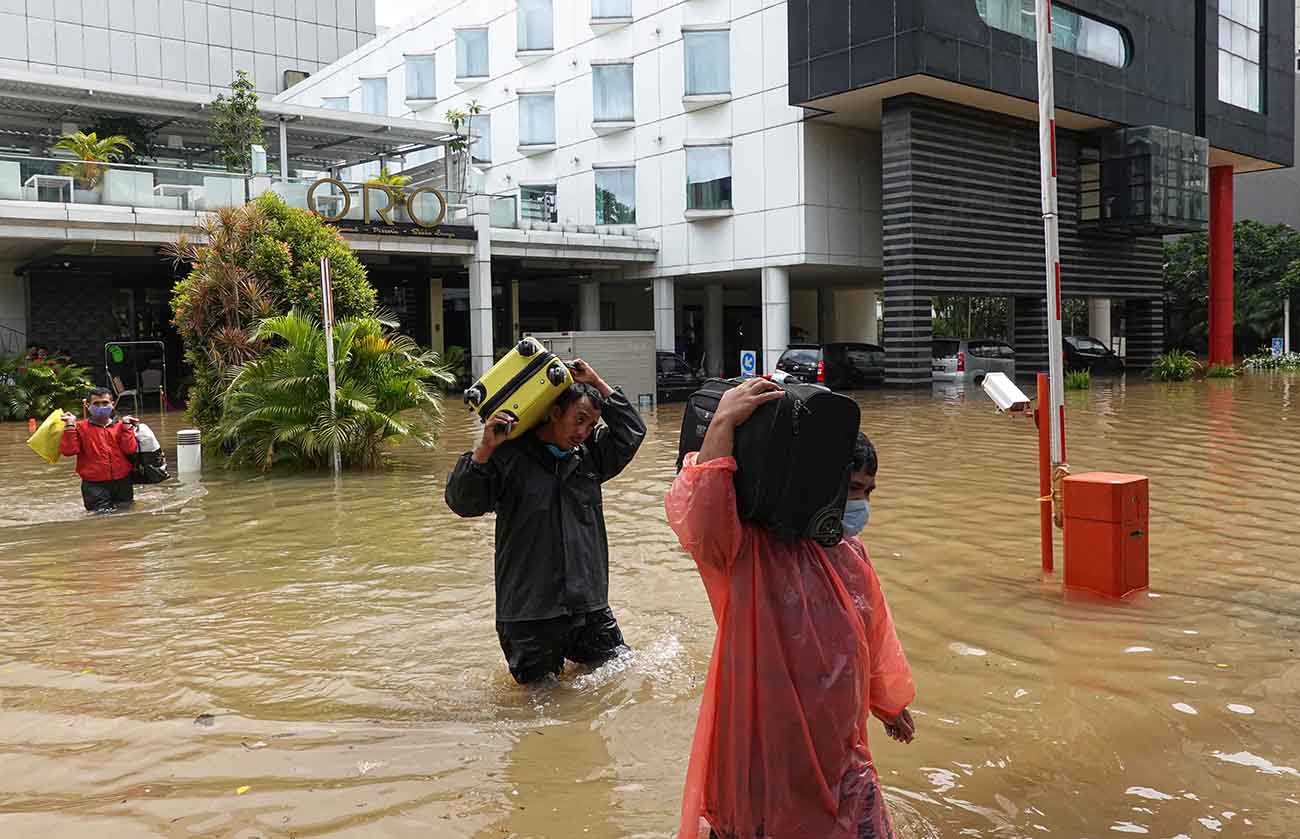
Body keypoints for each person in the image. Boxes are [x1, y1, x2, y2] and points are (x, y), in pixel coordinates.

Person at [665, 378, 916, 839]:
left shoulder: (850, 553)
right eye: (854, 489)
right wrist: (722, 422)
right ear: (821, 484)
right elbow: (701, 518)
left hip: (841, 751)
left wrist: (889, 705)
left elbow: (872, 633)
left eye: (870, 491)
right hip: (763, 751)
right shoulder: (752, 552)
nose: (861, 504)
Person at [445, 360, 647, 685]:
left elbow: (631, 432)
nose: (583, 432)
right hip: (529, 616)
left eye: (591, 425)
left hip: (588, 607)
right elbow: (461, 502)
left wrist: (596, 380)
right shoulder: (507, 456)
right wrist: (483, 450)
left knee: (622, 672)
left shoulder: (589, 457)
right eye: (578, 420)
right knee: (538, 708)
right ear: (554, 412)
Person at [60, 387, 140, 513]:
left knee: (127, 515)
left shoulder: (121, 426)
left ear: (112, 405)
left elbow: (130, 449)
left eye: (105, 403)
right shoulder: (79, 427)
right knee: (101, 520)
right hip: (94, 485)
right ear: (88, 405)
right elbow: (69, 451)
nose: (101, 407)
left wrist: (126, 428)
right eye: (96, 404)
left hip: (122, 481)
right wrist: (69, 425)